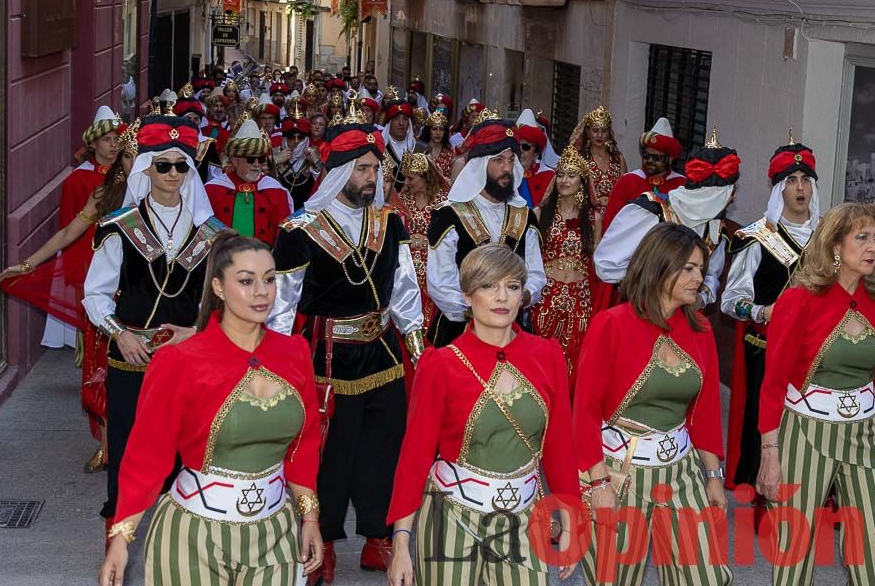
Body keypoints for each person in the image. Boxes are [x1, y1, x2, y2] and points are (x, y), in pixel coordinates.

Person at [99, 235, 323, 586]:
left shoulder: (294, 352)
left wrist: (309, 518)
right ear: (218, 287)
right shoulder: (180, 362)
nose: (262, 291)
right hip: (193, 537)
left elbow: (305, 443)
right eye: (247, 281)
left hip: (276, 534)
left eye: (269, 279)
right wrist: (121, 539)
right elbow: (147, 456)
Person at [269, 107, 425, 584]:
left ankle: (379, 536)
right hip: (328, 358)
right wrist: (271, 360)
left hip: (382, 352)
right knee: (330, 454)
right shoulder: (300, 233)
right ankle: (325, 542)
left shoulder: (389, 223)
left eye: (375, 169)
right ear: (338, 172)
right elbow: (281, 305)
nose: (371, 177)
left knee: (386, 445)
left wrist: (419, 348)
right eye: (361, 169)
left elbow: (404, 288)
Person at [387, 245, 581, 586]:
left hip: (523, 521)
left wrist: (570, 522)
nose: (502, 297)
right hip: (450, 520)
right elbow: (414, 456)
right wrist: (401, 543)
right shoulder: (440, 364)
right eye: (489, 286)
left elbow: (560, 447)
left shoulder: (547, 355)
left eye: (512, 286)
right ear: (467, 295)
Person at [82, 115, 228, 540]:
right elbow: (94, 294)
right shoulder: (119, 227)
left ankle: (182, 539)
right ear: (145, 168)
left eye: (181, 166)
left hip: (188, 361)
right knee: (129, 450)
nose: (172, 174)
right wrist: (120, 334)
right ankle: (119, 539)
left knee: (189, 450)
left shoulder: (210, 232)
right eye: (162, 165)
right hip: (132, 358)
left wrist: (197, 332)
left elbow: (222, 298)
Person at [756, 202, 875, 586]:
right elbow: (773, 383)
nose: (872, 246)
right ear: (836, 246)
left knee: (873, 543)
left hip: (866, 434)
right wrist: (770, 454)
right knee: (797, 547)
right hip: (806, 432)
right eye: (861, 238)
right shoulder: (799, 301)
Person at [572, 223, 731, 586]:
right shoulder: (611, 325)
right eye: (689, 268)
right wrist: (598, 484)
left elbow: (705, 413)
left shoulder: (701, 330)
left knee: (705, 577)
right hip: (618, 473)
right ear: (660, 267)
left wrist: (713, 477)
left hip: (682, 471)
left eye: (701, 269)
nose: (699, 278)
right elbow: (584, 411)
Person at [2, 120, 138, 474]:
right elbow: (68, 232)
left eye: (135, 153)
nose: (130, 159)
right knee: (99, 372)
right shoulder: (104, 194)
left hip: (143, 301)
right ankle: (108, 448)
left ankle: (139, 446)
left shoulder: (159, 195)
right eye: (127, 152)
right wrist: (27, 264)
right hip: (106, 300)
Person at [721, 138, 820, 491]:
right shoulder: (757, 237)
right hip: (767, 347)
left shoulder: (828, 239)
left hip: (815, 352)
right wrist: (764, 310)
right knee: (765, 426)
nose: (800, 188)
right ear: (779, 188)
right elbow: (731, 300)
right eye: (791, 180)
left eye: (805, 180)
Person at [427, 114, 548, 347]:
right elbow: (440, 283)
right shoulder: (450, 216)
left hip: (511, 333)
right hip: (460, 333)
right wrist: (482, 312)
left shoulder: (524, 216)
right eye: (498, 160)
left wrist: (520, 298)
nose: (507, 169)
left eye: (512, 160)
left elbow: (536, 275)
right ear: (480, 164)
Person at [593, 132, 739, 313]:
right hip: (640, 314)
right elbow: (606, 263)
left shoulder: (716, 231)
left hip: (682, 322)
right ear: (716, 194)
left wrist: (699, 300)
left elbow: (710, 276)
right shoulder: (652, 211)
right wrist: (656, 288)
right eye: (731, 191)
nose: (734, 197)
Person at [41, 106, 124, 350]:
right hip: (88, 255)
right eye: (107, 140)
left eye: (117, 139)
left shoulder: (127, 173)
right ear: (93, 144)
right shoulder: (78, 178)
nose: (113, 145)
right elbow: (68, 223)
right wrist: (72, 268)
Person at [531, 145, 600, 383]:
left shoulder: (593, 219)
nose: (564, 180)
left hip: (580, 298)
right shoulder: (540, 213)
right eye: (560, 174)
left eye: (571, 175)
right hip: (547, 295)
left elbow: (597, 262)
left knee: (575, 359)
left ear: (582, 180)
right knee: (543, 356)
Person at [205, 119, 294, 245]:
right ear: (235, 160)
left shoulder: (276, 191)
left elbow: (283, 235)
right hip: (225, 259)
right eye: (251, 159)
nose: (257, 164)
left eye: (261, 159)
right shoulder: (213, 190)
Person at [395, 153, 448, 335]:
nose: (407, 182)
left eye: (411, 178)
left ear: (425, 177)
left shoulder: (442, 202)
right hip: (408, 268)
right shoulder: (403, 199)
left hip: (433, 268)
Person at [601, 116, 683, 228]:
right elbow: (611, 222)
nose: (649, 161)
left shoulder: (681, 185)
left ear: (670, 159)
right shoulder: (628, 181)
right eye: (646, 156)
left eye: (656, 158)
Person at [569, 106, 625, 217]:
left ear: (609, 132)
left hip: (614, 217)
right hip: (587, 216)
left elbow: (624, 191)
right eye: (595, 130)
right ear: (587, 132)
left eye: (604, 131)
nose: (599, 135)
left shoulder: (618, 159)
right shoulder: (580, 159)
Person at [274, 117, 323, 210]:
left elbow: (325, 184)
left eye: (300, 137)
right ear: (285, 139)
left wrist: (315, 162)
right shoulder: (275, 154)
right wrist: (275, 161)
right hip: (280, 210)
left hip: (305, 213)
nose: (296, 141)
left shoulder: (314, 155)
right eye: (291, 137)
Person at [515, 109, 555, 208]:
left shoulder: (549, 176)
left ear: (536, 153)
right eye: (516, 146)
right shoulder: (502, 173)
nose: (520, 151)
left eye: (526, 147)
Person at [420, 109, 455, 182]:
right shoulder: (420, 149)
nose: (438, 133)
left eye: (441, 129)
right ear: (429, 131)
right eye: (434, 129)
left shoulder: (450, 151)